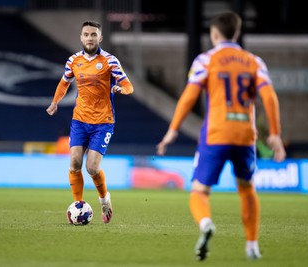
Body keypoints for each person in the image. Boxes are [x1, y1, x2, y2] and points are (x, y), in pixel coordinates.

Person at [156, 11, 286, 261]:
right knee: (247, 190)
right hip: (245, 135)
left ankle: (205, 223)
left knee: (200, 191)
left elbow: (189, 96)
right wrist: (276, 135)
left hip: (215, 134)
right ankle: (251, 246)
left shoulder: (205, 60)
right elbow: (269, 97)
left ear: (214, 34)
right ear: (237, 33)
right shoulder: (254, 61)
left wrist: (172, 131)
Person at [47, 20, 134, 224]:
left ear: (100, 38)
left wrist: (122, 89)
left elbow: (129, 85)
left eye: (93, 34)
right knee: (75, 163)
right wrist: (55, 103)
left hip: (103, 122)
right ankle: (79, 205)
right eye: (86, 34)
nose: (89, 38)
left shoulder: (110, 61)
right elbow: (64, 82)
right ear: (81, 37)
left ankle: (104, 200)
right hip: (80, 120)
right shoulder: (73, 61)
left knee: (92, 168)